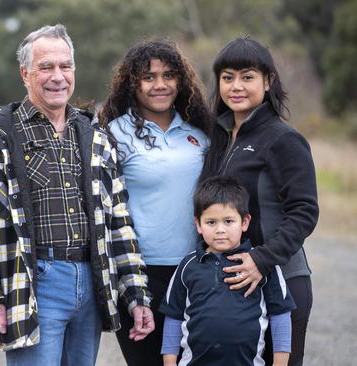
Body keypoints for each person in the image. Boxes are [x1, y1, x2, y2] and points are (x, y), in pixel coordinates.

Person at [0, 24, 154, 366]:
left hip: (90, 282)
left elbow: (118, 223)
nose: (57, 76)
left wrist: (136, 294)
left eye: (65, 66)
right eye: (46, 67)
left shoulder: (96, 137)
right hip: (35, 283)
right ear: (25, 73)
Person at [200, 37, 319, 366]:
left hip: (281, 279)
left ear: (268, 82)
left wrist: (262, 260)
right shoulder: (220, 137)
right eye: (227, 77)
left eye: (247, 77)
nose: (236, 86)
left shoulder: (284, 139)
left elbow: (304, 212)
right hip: (231, 280)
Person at [99, 39, 213, 365]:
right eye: (149, 77)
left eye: (168, 75)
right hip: (138, 276)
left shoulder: (199, 133)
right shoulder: (112, 134)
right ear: (132, 84)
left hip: (195, 272)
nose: (160, 85)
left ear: (181, 81)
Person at [160, 176, 297, 366]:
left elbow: (280, 315)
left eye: (228, 221)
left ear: (244, 222)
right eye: (211, 222)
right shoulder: (188, 266)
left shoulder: (262, 265)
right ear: (198, 224)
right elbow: (173, 316)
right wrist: (169, 363)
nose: (220, 230)